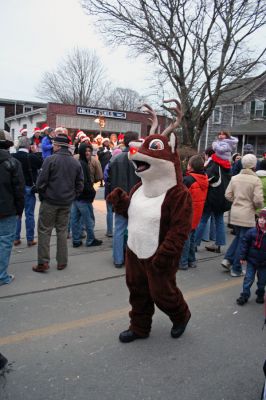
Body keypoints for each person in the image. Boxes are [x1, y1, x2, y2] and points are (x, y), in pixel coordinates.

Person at [33, 135, 83, 273]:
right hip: (66, 202)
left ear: (58, 146)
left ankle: (43, 263)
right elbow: (80, 184)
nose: (53, 146)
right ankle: (62, 262)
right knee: (62, 231)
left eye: (54, 144)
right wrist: (72, 196)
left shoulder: (50, 159)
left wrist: (42, 194)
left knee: (44, 231)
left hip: (50, 201)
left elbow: (41, 182)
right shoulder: (75, 162)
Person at [221, 154, 264, 277]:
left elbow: (228, 195)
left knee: (240, 237)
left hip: (235, 212)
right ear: (254, 165)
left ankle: (228, 259)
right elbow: (258, 200)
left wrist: (237, 200)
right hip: (248, 212)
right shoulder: (255, 180)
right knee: (244, 241)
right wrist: (255, 208)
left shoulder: (235, 178)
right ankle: (236, 268)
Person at [195, 131, 235, 253]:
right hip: (222, 197)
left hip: (212, 196)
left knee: (203, 219)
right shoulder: (227, 164)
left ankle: (194, 243)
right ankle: (219, 245)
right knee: (219, 220)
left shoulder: (214, 164)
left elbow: (206, 179)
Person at [108, 131, 140, 268]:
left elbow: (109, 181)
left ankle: (118, 259)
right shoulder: (139, 159)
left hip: (120, 200)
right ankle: (132, 259)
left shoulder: (115, 159)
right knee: (135, 230)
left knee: (119, 230)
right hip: (136, 199)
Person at [0, 130, 24, 286]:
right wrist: (19, 211)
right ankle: (1, 276)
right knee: (4, 242)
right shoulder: (13, 163)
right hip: (7, 209)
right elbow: (19, 190)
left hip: (7, 208)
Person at [179, 155, 209, 269]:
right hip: (197, 213)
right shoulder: (204, 178)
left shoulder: (188, 180)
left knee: (185, 239)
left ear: (190, 167)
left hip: (187, 213)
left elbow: (180, 197)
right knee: (191, 237)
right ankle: (192, 260)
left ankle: (183, 262)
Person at [12, 137, 42, 246]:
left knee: (17, 214)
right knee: (29, 215)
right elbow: (41, 164)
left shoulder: (13, 157)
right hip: (29, 187)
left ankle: (16, 238)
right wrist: (36, 152)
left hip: (16, 189)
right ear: (29, 146)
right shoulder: (32, 157)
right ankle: (30, 239)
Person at [71, 142, 102, 248]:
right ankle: (90, 240)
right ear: (82, 152)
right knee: (89, 219)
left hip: (77, 197)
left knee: (75, 219)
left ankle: (76, 240)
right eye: (86, 151)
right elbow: (83, 182)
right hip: (83, 197)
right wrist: (91, 192)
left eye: (89, 151)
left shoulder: (80, 162)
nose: (88, 153)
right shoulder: (82, 164)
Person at [236, 208, 266, 305]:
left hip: (264, 263)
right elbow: (244, 245)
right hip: (251, 261)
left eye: (264, 218)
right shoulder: (251, 232)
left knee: (262, 281)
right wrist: (242, 257)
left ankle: (260, 294)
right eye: (260, 217)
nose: (261, 220)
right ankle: (244, 295)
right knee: (248, 278)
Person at [103, 148, 122, 237]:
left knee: (109, 211)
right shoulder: (122, 164)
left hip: (109, 191)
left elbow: (106, 178)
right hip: (119, 191)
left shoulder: (108, 165)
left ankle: (110, 231)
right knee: (119, 211)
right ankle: (120, 230)